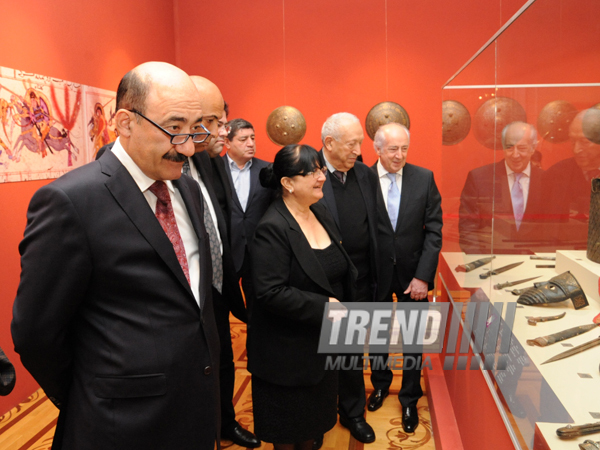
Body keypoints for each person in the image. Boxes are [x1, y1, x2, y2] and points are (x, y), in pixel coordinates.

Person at [11, 62, 220, 450]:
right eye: (174, 128)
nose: (189, 147)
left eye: (195, 130)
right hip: (118, 426)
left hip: (195, 407)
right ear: (125, 122)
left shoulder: (186, 190)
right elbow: (36, 333)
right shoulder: (71, 202)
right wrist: (92, 392)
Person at [248, 144, 357, 450]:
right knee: (290, 435)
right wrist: (327, 307)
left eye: (320, 169)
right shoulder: (272, 227)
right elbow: (271, 292)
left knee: (314, 431)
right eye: (311, 172)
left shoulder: (319, 211)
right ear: (288, 183)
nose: (321, 177)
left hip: (322, 350)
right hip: (288, 358)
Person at [186, 76, 259, 448]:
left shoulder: (208, 162)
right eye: (215, 122)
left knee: (224, 359)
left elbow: (219, 219)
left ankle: (224, 422)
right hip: (183, 294)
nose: (223, 131)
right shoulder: (168, 167)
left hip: (215, 284)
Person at [367, 123, 442, 433]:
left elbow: (434, 231)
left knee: (413, 338)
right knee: (377, 335)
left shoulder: (423, 178)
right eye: (392, 149)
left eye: (404, 149)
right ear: (377, 149)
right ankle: (381, 384)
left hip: (414, 274)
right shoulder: (362, 179)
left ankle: (410, 397)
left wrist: (423, 276)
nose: (399, 156)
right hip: (375, 273)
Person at [317, 112, 378, 445]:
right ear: (329, 143)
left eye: (360, 142)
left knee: (352, 351)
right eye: (352, 143)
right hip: (325, 285)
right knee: (322, 355)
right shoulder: (308, 174)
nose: (359, 148)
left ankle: (352, 412)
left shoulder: (364, 174)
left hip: (361, 281)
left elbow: (376, 225)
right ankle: (319, 417)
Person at [459, 121, 546, 254]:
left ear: (533, 148)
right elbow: (468, 227)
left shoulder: (547, 180)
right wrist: (477, 262)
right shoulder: (479, 178)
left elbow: (553, 229)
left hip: (534, 262)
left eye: (521, 148)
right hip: (490, 262)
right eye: (509, 147)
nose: (515, 155)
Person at [223, 118, 273, 315]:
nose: (251, 143)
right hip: (227, 251)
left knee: (259, 309)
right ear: (227, 142)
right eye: (243, 139)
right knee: (223, 307)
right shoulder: (215, 170)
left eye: (252, 138)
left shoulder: (268, 170)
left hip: (258, 251)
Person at [544, 109, 600, 249]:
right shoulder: (555, 175)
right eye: (573, 141)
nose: (576, 150)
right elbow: (545, 230)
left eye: (584, 142)